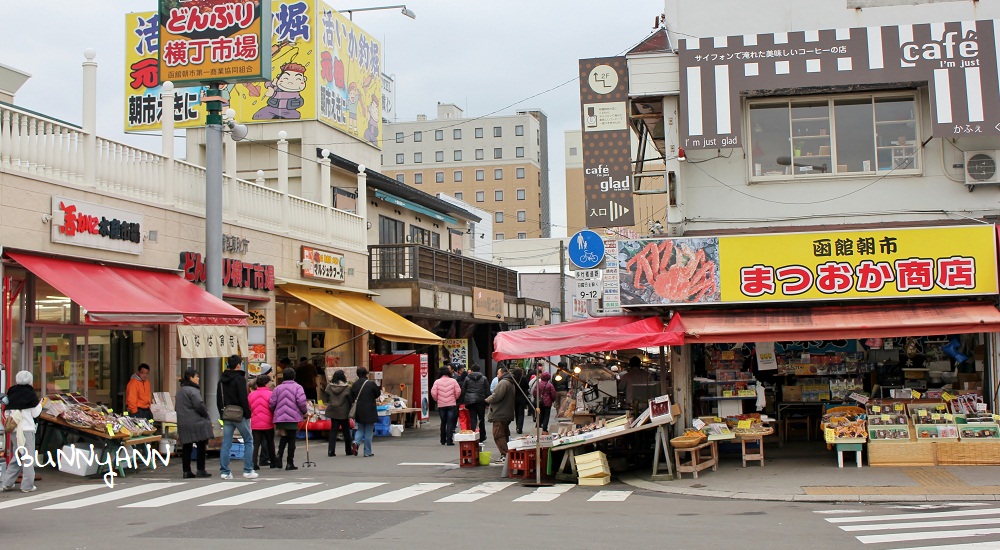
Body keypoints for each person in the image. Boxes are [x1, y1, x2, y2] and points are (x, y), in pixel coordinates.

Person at [1, 371, 42, 492]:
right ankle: (27, 485)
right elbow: (35, 413)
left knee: (18, 456)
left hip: (15, 430)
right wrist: (41, 404)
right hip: (27, 430)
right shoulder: (31, 394)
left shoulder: (12, 392)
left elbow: (7, 412)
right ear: (30, 380)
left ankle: (7, 483)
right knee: (28, 457)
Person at [217, 355, 257, 480]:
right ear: (239, 365)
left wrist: (222, 414)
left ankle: (225, 471)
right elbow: (243, 398)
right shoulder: (240, 379)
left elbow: (218, 399)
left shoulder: (221, 380)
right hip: (240, 414)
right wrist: (247, 413)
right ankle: (248, 469)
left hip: (227, 414)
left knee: (226, 443)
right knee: (248, 440)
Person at [174, 367, 214, 479]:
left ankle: (186, 471)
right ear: (191, 377)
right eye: (196, 376)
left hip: (183, 421)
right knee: (201, 444)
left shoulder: (180, 391)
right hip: (196, 422)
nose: (198, 378)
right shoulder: (193, 390)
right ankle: (201, 469)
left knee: (187, 446)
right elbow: (199, 405)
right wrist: (206, 414)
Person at [270, 367, 307, 470]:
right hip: (292, 417)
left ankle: (279, 455)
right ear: (294, 376)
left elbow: (272, 403)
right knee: (291, 439)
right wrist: (304, 412)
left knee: (284, 437)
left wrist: (275, 411)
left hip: (280, 417)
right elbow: (301, 402)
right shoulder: (298, 387)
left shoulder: (277, 388)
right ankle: (289, 462)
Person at [485, 366, 516, 464]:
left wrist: (487, 400)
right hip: (506, 412)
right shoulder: (509, 382)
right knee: (504, 433)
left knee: (498, 434)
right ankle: (507, 454)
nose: (497, 375)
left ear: (502, 373)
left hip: (500, 413)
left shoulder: (503, 383)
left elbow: (496, 396)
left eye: (498, 373)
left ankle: (505, 454)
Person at [248, 371, 277, 470]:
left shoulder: (252, 395)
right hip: (268, 422)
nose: (270, 384)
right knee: (270, 442)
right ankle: (273, 461)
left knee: (256, 443)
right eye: (269, 382)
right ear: (266, 383)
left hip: (255, 421)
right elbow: (273, 406)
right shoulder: (270, 394)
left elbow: (250, 407)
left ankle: (253, 462)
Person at [351, 367, 380, 457]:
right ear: (366, 374)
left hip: (359, 410)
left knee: (360, 429)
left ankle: (356, 442)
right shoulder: (371, 384)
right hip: (370, 409)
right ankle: (367, 452)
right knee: (368, 431)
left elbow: (352, 396)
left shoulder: (355, 385)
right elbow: (377, 394)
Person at [324, 369, 353, 457]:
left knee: (333, 431)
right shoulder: (347, 387)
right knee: (346, 432)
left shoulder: (329, 386)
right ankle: (348, 450)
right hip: (344, 411)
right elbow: (350, 400)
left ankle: (331, 451)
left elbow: (326, 397)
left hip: (333, 410)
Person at [431, 367, 462, 446]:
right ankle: (449, 440)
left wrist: (437, 399)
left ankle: (442, 439)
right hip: (451, 404)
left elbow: (433, 393)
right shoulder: (453, 381)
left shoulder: (437, 382)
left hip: (441, 405)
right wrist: (455, 398)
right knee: (450, 422)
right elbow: (458, 391)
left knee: (443, 422)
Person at [461, 364, 489, 443]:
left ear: (472, 370)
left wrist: (462, 401)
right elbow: (487, 390)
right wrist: (488, 402)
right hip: (481, 401)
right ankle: (482, 435)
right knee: (481, 418)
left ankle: (474, 435)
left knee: (473, 418)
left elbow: (463, 390)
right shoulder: (484, 378)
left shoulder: (467, 378)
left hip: (470, 401)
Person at [513, 367, 531, 434]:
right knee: (521, 413)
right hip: (522, 397)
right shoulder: (523, 378)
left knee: (516, 412)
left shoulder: (513, 379)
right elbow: (527, 387)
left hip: (514, 397)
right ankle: (520, 427)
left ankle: (517, 426)